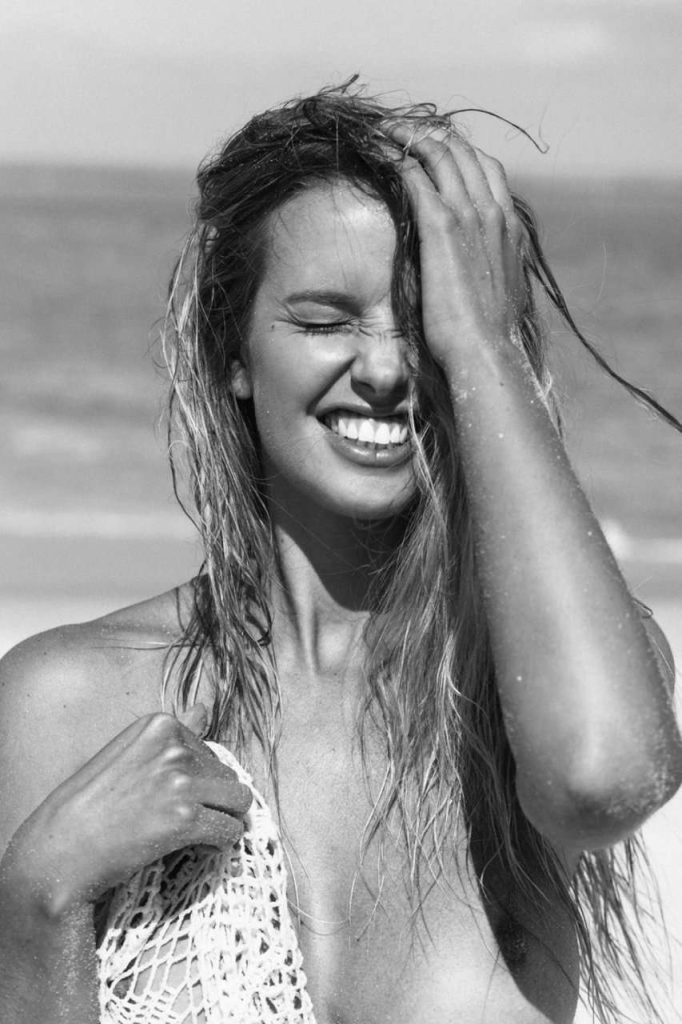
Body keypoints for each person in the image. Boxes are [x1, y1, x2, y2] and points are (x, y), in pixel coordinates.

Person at [0, 82, 680, 1024]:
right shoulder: (64, 702)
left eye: (426, 324)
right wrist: (38, 897)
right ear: (234, 355)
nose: (387, 368)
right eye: (325, 322)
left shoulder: (532, 689)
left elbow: (605, 783)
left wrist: (482, 345)